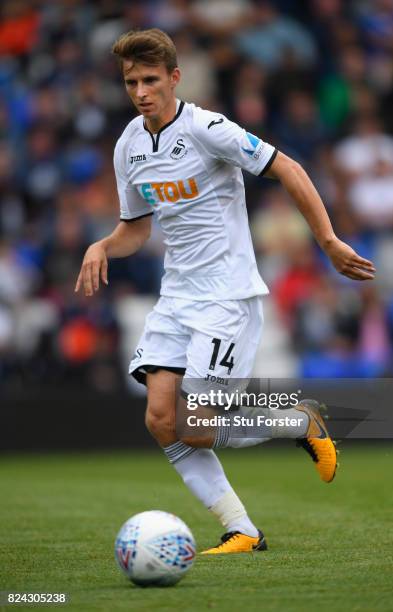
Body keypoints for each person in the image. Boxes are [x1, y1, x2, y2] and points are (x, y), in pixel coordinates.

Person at [75, 29, 376, 554]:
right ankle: (244, 530)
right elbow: (137, 229)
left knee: (194, 425)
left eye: (150, 80)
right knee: (161, 421)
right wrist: (101, 246)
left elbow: (289, 167)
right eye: (131, 82)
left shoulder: (208, 128)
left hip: (226, 298)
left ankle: (297, 421)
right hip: (177, 297)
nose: (141, 91)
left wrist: (327, 240)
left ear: (174, 78)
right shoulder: (129, 145)